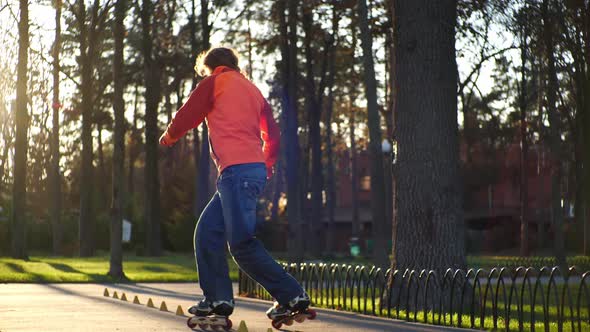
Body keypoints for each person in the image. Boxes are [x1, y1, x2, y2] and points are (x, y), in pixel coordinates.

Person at [159, 47, 309, 320]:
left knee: (241, 243)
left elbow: (188, 114)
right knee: (206, 233)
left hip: (236, 173)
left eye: (205, 71)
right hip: (245, 173)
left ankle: (291, 294)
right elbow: (272, 133)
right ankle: (217, 300)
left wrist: (169, 137)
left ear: (212, 67)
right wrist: (266, 164)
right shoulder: (251, 89)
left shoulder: (215, 82)